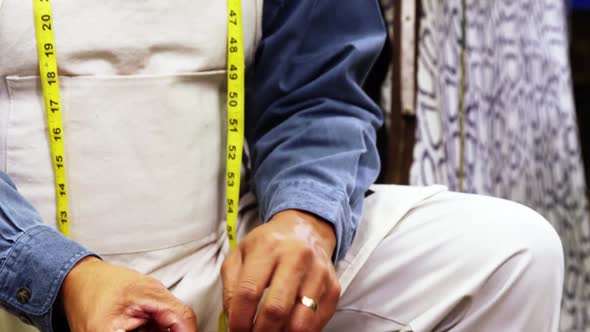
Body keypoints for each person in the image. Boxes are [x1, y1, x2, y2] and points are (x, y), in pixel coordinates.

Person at [0, 0, 564, 331]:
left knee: (512, 254)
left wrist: (305, 220)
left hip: (223, 259)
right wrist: (59, 277)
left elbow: (319, 90)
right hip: (19, 278)